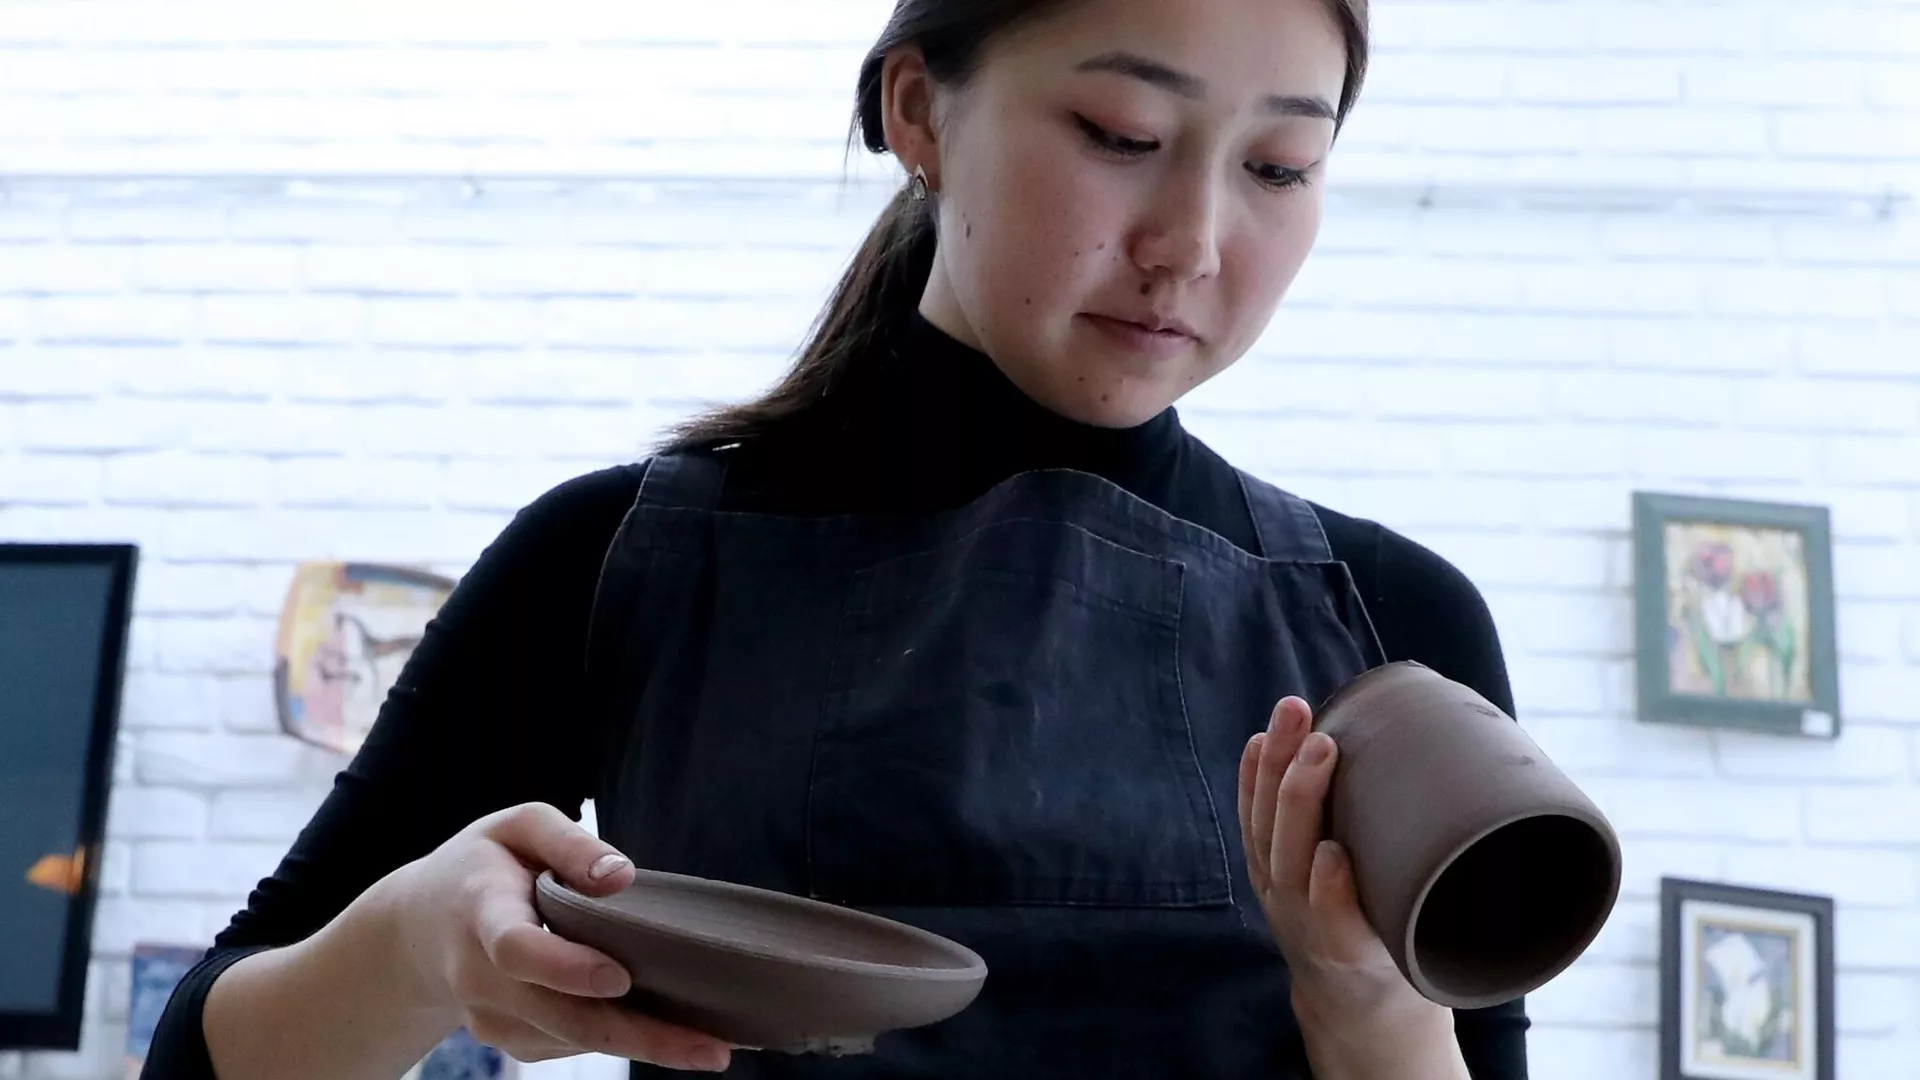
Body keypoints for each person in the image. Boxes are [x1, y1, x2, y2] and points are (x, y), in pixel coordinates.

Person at [142, 0, 1532, 1076]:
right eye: (1121, 134)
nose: (1196, 242)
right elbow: (201, 1059)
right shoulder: (609, 562)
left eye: (1280, 167)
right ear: (918, 108)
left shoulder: (1394, 631)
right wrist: (413, 945)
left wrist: (1368, 1006)